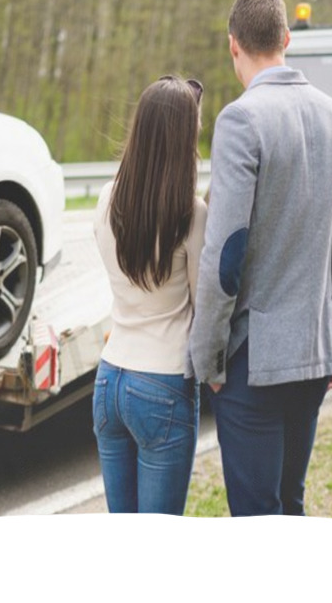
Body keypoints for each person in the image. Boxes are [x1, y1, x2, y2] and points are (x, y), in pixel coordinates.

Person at [189, 0, 332, 516]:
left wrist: (208, 356)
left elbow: (226, 252)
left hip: (251, 364)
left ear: (233, 44)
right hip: (313, 352)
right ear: (286, 39)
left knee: (259, 516)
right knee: (291, 502)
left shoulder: (241, 120)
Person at [92, 75, 207, 514]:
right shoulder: (191, 214)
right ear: (182, 143)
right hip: (162, 383)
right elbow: (203, 303)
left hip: (109, 380)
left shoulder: (106, 199)